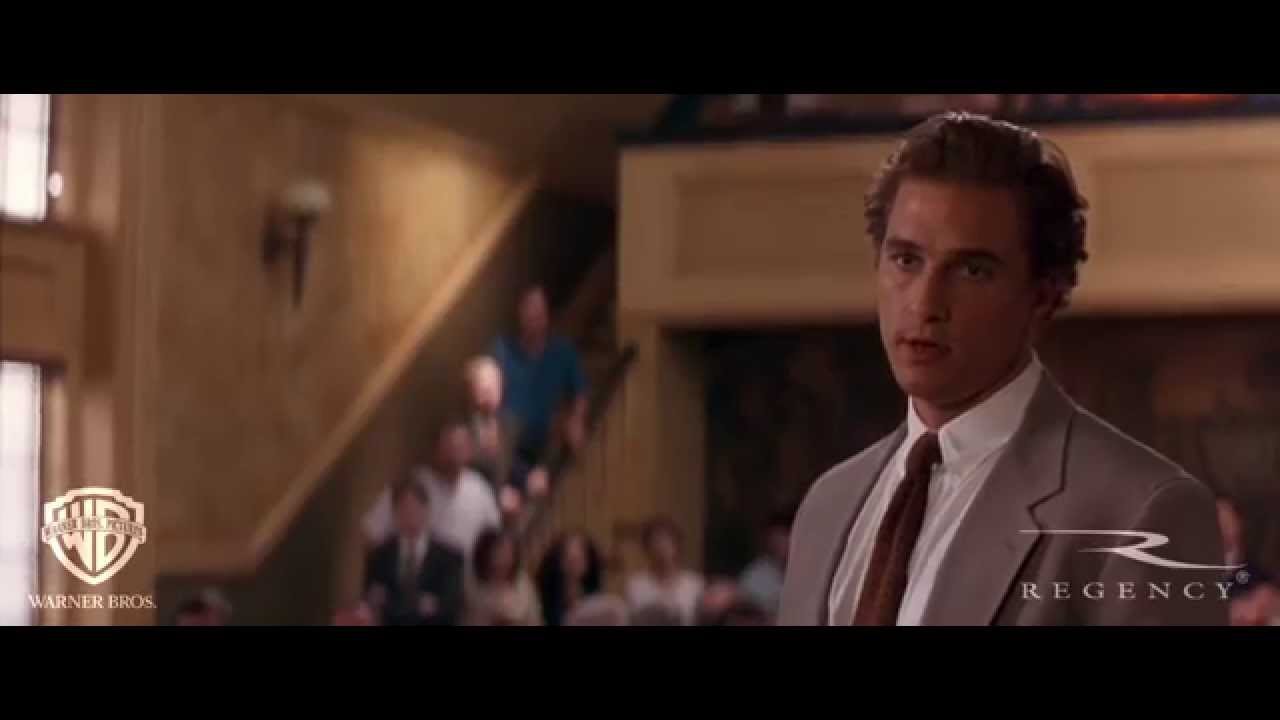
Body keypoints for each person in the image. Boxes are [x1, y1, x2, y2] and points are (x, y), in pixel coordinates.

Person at [779, 112, 1228, 626]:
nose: (925, 303)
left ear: (1044, 295)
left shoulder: (1139, 514)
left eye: (972, 270)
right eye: (906, 260)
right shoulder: (828, 504)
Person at [363, 419, 502, 562]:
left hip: (464, 573)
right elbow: (372, 532)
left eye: (459, 447)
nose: (453, 455)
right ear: (436, 448)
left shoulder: (480, 490)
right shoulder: (413, 483)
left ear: (469, 450)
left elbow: (494, 540)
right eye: (448, 447)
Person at [491, 285, 589, 481]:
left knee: (563, 432)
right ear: (520, 314)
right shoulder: (503, 349)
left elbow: (580, 391)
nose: (535, 317)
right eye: (530, 311)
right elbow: (486, 387)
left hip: (546, 439)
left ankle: (539, 476)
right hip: (509, 442)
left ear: (546, 315)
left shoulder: (562, 351)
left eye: (539, 312)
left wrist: (576, 418)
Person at [364, 478, 465, 626]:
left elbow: (449, 608)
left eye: (414, 508)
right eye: (403, 508)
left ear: (426, 510)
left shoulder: (449, 558)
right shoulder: (380, 555)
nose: (409, 515)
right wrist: (420, 605)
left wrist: (392, 602)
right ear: (394, 513)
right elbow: (372, 598)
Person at [463, 355, 550, 520]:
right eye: (484, 385)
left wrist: (533, 474)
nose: (492, 390)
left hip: (517, 513)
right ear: (471, 390)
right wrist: (496, 497)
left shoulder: (511, 423)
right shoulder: (461, 433)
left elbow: (520, 460)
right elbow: (464, 481)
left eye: (495, 382)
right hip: (480, 517)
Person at [625, 517, 705, 626]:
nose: (662, 547)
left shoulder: (695, 584)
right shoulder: (636, 584)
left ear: (677, 545)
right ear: (647, 548)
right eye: (656, 541)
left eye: (667, 540)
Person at [1216, 495, 1279, 626]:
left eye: (1227, 520)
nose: (1222, 526)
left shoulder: (1258, 576)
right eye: (1216, 520)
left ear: (1239, 523)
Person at [464, 528, 543, 626]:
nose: (504, 557)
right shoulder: (475, 584)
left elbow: (535, 619)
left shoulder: (522, 584)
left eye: (509, 552)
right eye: (499, 551)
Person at [536, 530, 605, 626]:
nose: (573, 566)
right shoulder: (548, 597)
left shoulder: (595, 597)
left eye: (579, 559)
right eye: (569, 559)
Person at [737, 512, 792, 620]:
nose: (780, 545)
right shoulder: (755, 575)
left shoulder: (807, 573)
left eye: (784, 538)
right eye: (775, 540)